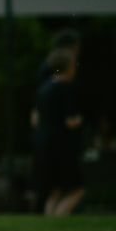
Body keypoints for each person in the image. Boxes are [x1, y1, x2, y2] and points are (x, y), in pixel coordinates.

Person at [34, 48, 85, 216]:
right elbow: (70, 121)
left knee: (54, 191)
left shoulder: (44, 89)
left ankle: (50, 225)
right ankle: (60, 219)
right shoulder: (66, 88)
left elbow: (35, 119)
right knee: (77, 189)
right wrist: (80, 120)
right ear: (69, 67)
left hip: (44, 145)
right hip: (62, 147)